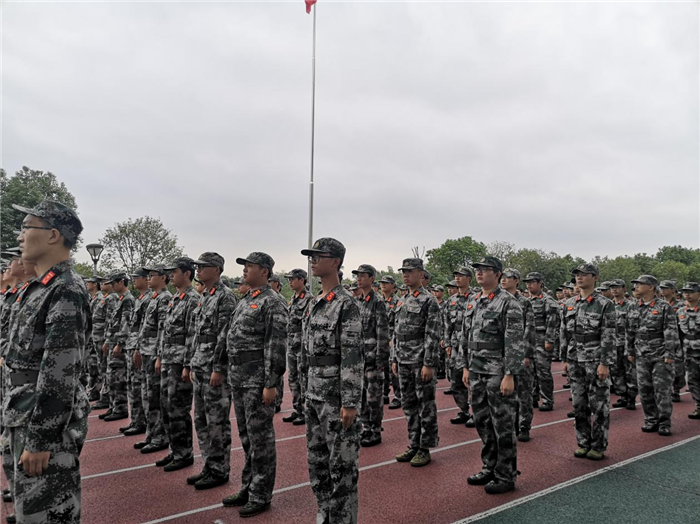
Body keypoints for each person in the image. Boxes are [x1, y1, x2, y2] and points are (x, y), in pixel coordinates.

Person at [3, 200, 91, 523]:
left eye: (27, 227)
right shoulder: (40, 288)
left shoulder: (65, 289)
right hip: (22, 416)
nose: (20, 235)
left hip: (42, 428)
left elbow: (60, 374)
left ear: (53, 235)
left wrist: (41, 438)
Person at [299, 238, 363, 524]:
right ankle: (324, 513)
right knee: (318, 463)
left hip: (335, 398)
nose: (312, 261)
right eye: (311, 256)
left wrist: (349, 402)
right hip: (313, 394)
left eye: (318, 256)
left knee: (341, 467)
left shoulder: (345, 304)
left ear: (335, 262)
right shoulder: (315, 303)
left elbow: (352, 356)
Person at [220, 252, 287, 517]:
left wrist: (271, 383)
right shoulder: (247, 299)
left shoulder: (273, 302)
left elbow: (276, 345)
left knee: (261, 439)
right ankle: (248, 487)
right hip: (239, 378)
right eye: (245, 266)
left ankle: (261, 494)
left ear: (265, 271)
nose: (245, 270)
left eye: (250, 266)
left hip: (257, 381)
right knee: (247, 437)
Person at [458, 256, 524, 495]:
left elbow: (514, 342)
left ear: (497, 274)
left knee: (502, 424)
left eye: (485, 269)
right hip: (476, 370)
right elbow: (465, 336)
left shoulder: (508, 302)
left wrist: (510, 374)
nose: (479, 273)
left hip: (497, 372)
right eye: (478, 269)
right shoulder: (474, 300)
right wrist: (465, 366)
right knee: (482, 421)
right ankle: (489, 467)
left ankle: (505, 474)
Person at [185, 252, 237, 489]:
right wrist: (192, 363)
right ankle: (208, 464)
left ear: (216, 269)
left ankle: (219, 469)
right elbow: (197, 334)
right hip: (200, 365)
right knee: (201, 419)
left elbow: (224, 336)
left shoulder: (225, 296)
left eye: (202, 266)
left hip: (214, 369)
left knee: (216, 422)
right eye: (197, 266)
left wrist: (218, 368)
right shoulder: (205, 295)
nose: (198, 270)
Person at [560, 264, 615, 460]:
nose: (579, 278)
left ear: (595, 278)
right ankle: (583, 442)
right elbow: (564, 333)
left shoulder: (604, 304)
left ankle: (598, 445)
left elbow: (608, 335)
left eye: (584, 274)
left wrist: (605, 363)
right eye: (577, 275)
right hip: (575, 358)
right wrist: (564, 358)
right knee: (578, 404)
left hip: (595, 358)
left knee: (599, 405)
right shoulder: (569, 303)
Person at [393, 258, 441, 467]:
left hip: (419, 360)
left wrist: (428, 363)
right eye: (403, 271)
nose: (405, 275)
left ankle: (425, 448)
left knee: (425, 406)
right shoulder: (403, 299)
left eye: (410, 271)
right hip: (403, 359)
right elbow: (396, 332)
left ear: (421, 274)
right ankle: (414, 443)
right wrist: (394, 358)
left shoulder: (429, 300)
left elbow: (432, 334)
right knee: (409, 405)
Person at [156, 257, 199, 472]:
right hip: (168, 359)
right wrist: (160, 357)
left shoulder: (193, 299)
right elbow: (166, 332)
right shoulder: (176, 297)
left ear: (187, 274)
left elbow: (192, 334)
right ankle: (175, 450)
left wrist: (187, 365)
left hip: (180, 361)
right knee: (166, 406)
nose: (170, 275)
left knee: (178, 409)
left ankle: (184, 453)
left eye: (174, 271)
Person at [626, 275, 681, 436]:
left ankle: (664, 422)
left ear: (651, 287)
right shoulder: (633, 306)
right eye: (635, 284)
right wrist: (629, 351)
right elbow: (629, 331)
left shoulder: (663, 306)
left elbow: (670, 331)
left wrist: (670, 352)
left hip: (660, 354)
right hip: (641, 353)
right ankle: (651, 419)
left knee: (661, 390)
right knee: (644, 389)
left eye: (640, 284)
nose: (636, 287)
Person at [134, 265, 172, 454]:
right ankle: (151, 434)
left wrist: (158, 355)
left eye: (152, 275)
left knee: (155, 397)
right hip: (146, 351)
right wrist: (138, 348)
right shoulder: (154, 297)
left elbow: (162, 330)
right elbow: (144, 327)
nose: (148, 278)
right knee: (147, 396)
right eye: (147, 275)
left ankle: (159, 437)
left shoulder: (165, 298)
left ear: (163, 278)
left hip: (154, 353)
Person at [352, 264, 389, 447]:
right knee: (361, 396)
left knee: (374, 397)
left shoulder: (378, 302)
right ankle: (366, 427)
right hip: (360, 358)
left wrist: (380, 359)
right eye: (357, 276)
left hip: (373, 357)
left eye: (363, 275)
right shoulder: (358, 302)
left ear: (372, 278)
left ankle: (375, 430)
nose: (359, 279)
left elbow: (382, 333)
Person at [500, 268, 536, 442]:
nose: (503, 280)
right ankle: (510, 424)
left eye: (508, 277)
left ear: (516, 281)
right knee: (507, 393)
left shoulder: (524, 302)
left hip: (520, 353)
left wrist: (526, 354)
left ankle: (524, 426)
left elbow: (529, 329)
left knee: (523, 392)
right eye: (502, 277)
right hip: (503, 353)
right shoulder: (498, 300)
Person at [523, 272, 560, 412]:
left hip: (542, 339)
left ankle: (547, 400)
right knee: (529, 371)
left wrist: (549, 340)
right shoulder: (526, 301)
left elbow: (552, 323)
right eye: (527, 282)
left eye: (532, 282)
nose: (529, 285)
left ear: (540, 283)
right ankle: (533, 397)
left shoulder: (548, 301)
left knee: (543, 372)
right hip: (529, 340)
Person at [444, 266, 476, 427]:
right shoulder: (451, 301)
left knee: (473, 380)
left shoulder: (476, 298)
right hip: (456, 345)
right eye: (456, 275)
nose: (457, 278)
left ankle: (476, 412)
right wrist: (447, 343)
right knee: (456, 380)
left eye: (461, 275)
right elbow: (447, 324)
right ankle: (464, 410)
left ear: (469, 278)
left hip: (472, 344)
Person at [102, 271, 135, 422]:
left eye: (114, 283)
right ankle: (114, 406)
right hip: (113, 342)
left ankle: (120, 408)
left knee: (118, 378)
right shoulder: (121, 299)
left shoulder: (127, 299)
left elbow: (125, 323)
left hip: (119, 345)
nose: (112, 286)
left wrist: (120, 343)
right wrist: (108, 340)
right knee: (111, 377)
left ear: (122, 282)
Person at [121, 268, 151, 436]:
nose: (133, 280)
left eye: (136, 277)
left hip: (141, 348)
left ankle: (140, 422)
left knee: (139, 387)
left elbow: (144, 329)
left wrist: (138, 347)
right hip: (133, 346)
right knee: (133, 386)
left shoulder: (148, 299)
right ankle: (136, 420)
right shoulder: (140, 299)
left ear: (146, 279)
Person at [283, 268, 311, 426]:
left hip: (301, 346)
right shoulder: (293, 298)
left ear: (302, 280)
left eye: (293, 279)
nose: (290, 282)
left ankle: (306, 411)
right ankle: (297, 409)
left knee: (303, 378)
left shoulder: (309, 299)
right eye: (289, 279)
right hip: (291, 344)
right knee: (292, 378)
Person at [609, 279, 637, 410]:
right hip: (612, 344)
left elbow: (633, 327)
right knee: (616, 372)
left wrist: (631, 346)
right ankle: (623, 396)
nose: (614, 290)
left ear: (624, 289)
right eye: (612, 288)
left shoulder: (630, 305)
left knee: (629, 372)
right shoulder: (608, 305)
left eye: (617, 287)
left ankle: (631, 398)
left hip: (625, 344)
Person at [660, 280, 685, 403]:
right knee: (663, 367)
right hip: (662, 340)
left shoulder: (680, 305)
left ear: (673, 290)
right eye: (661, 288)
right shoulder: (658, 304)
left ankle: (676, 390)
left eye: (666, 288)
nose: (663, 290)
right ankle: (667, 390)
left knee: (678, 367)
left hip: (678, 339)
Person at [379, 275, 402, 409]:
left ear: (393, 286)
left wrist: (393, 339)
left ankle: (398, 396)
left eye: (386, 283)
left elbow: (398, 324)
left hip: (392, 340)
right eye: (382, 283)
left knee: (394, 369)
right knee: (383, 368)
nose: (383, 285)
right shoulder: (379, 301)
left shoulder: (398, 302)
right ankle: (384, 394)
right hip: (380, 340)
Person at [678, 282, 700, 419]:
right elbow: (678, 333)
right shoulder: (680, 311)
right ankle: (699, 406)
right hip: (689, 351)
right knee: (692, 380)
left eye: (691, 292)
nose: (687, 294)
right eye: (685, 292)